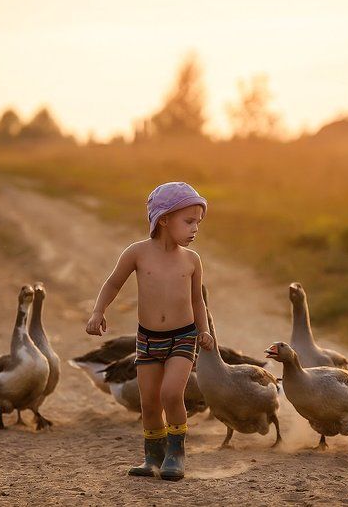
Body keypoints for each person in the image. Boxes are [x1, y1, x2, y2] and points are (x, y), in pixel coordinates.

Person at [85, 181, 214, 481]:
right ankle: (153, 456)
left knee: (171, 393)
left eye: (198, 222)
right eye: (189, 221)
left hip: (183, 338)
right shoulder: (137, 253)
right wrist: (98, 311)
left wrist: (204, 330)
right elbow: (113, 283)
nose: (195, 228)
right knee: (149, 401)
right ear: (164, 219)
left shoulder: (192, 260)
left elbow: (197, 300)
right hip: (147, 340)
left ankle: (176, 453)